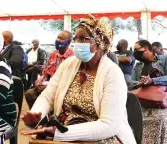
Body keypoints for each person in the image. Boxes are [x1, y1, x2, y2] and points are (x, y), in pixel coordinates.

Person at [21, 15, 136, 144]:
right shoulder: (68, 65)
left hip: (103, 137)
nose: (78, 43)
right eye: (76, 38)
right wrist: (37, 114)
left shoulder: (112, 73)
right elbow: (48, 96)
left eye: (84, 39)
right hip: (63, 131)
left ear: (99, 42)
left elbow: (109, 125)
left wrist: (61, 133)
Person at [131, 40, 167, 144]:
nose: (135, 52)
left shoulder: (164, 59)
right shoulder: (138, 66)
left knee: (161, 120)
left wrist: (152, 81)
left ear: (146, 48)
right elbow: (132, 84)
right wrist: (138, 84)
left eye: (137, 49)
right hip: (143, 103)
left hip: (163, 102)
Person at [24, 30, 74, 109]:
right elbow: (45, 73)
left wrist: (50, 86)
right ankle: (39, 118)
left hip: (61, 89)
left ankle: (49, 116)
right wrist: (39, 82)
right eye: (58, 37)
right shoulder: (52, 54)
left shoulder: (73, 57)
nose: (58, 40)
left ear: (68, 43)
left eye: (62, 39)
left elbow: (68, 80)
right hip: (47, 85)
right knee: (29, 94)